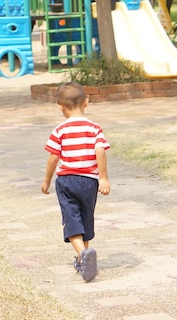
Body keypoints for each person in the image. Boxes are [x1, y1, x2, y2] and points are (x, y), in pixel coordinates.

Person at [41, 82, 110, 282]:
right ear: (86, 103)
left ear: (60, 107)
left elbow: (53, 157)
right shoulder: (94, 128)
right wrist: (103, 177)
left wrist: (46, 181)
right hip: (89, 182)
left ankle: (83, 254)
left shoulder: (60, 130)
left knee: (72, 220)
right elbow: (100, 151)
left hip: (66, 181)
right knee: (86, 220)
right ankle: (84, 262)